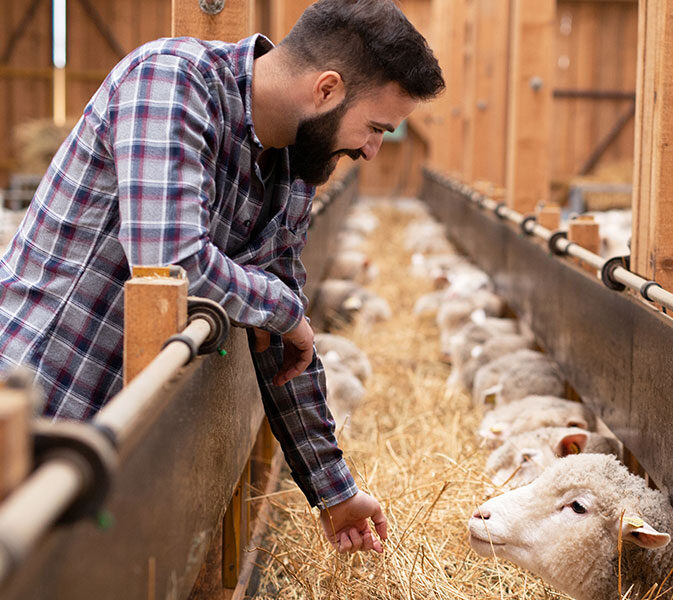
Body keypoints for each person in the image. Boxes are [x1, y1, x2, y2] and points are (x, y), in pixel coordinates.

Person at [0, 0, 443, 554]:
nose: (372, 151)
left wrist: (335, 492)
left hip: (121, 432)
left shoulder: (292, 172)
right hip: (34, 397)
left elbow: (285, 344)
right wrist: (286, 311)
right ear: (327, 89)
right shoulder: (172, 81)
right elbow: (170, 261)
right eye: (376, 127)